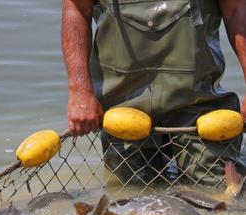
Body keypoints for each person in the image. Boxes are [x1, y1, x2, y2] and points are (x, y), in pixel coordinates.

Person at [62, 0, 246, 185]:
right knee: (129, 198)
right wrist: (79, 91)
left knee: (221, 193)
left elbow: (237, 10)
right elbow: (77, 8)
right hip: (123, 106)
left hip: (200, 103)